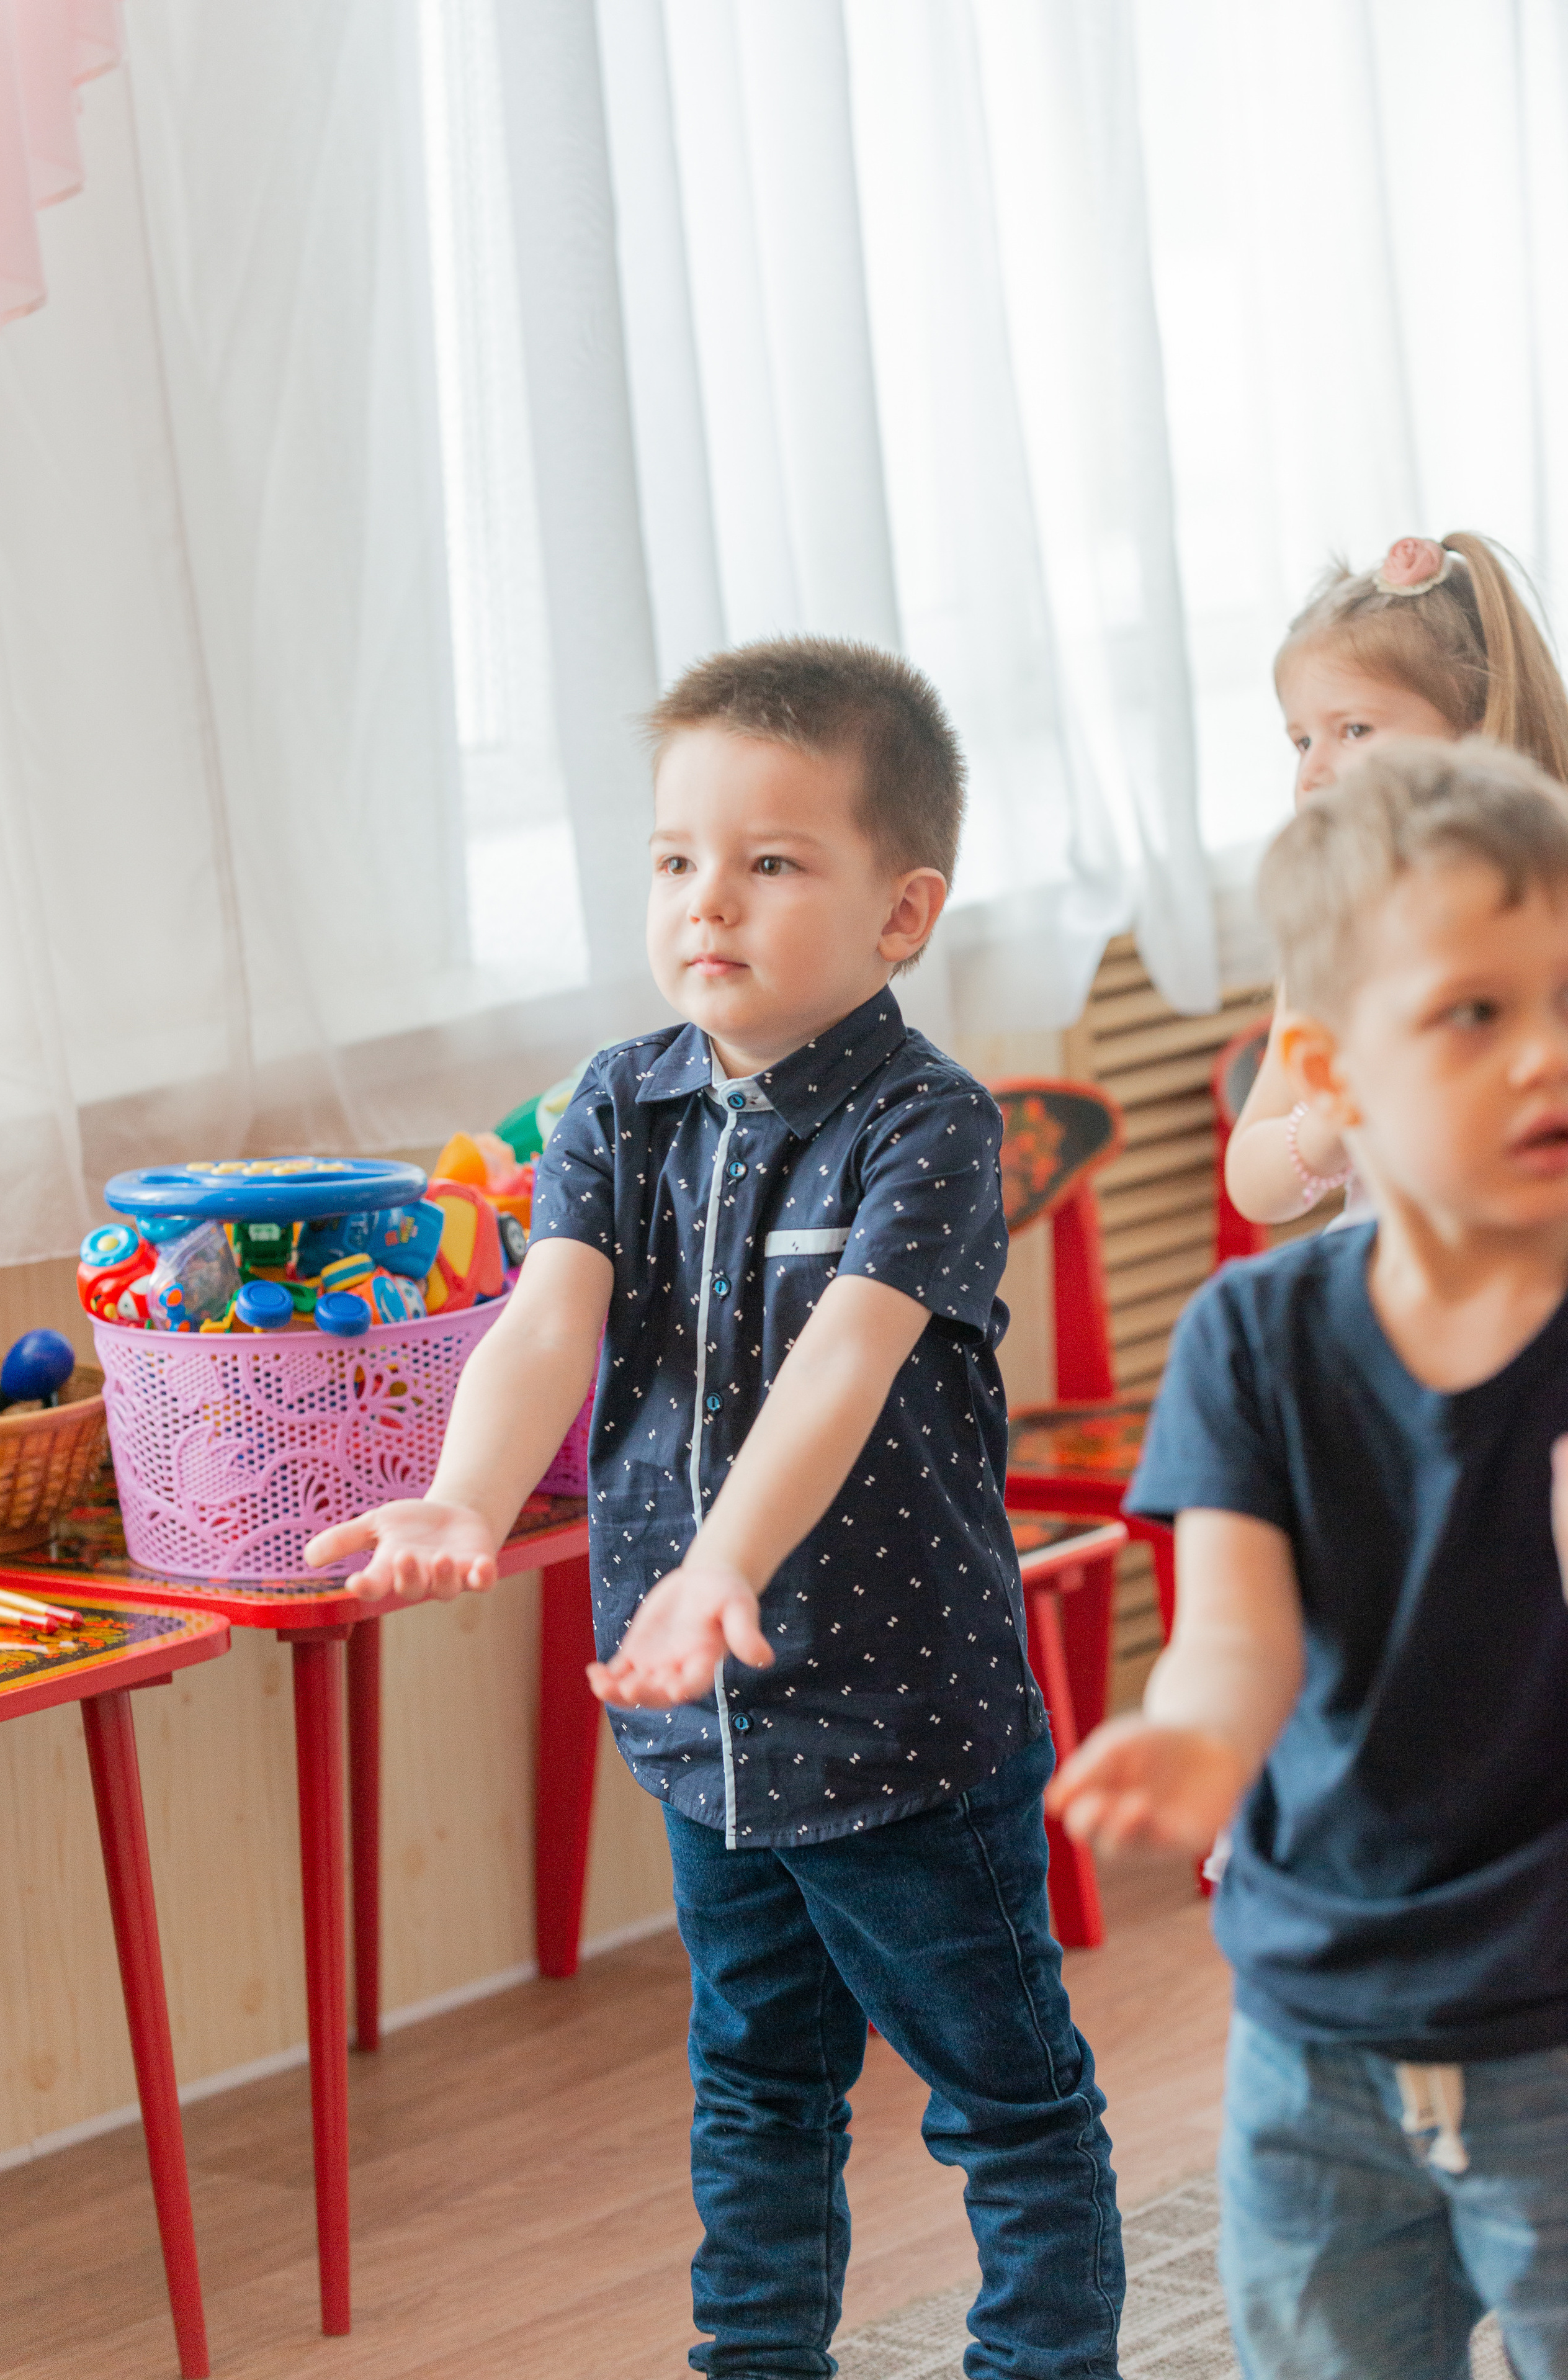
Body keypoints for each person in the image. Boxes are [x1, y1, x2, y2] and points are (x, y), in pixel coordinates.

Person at [307, 637, 1124, 2379]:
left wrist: (719, 1565)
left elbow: (841, 1367)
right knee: (756, 2085)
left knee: (1009, 2099)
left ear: (902, 912)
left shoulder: (930, 1126)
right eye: (679, 858)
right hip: (709, 1736)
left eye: (772, 861)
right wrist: (456, 1490)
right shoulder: (614, 1100)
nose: (710, 902)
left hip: (901, 1727)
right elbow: (548, 1317)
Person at [1050, 735, 1568, 2379]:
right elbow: (1232, 1632)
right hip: (1315, 2029)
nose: (1547, 1056)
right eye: (1476, 1013)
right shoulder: (1253, 1339)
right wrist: (1197, 1746)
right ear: (1327, 1069)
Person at [1226, 531, 1568, 1231]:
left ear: (1472, 735)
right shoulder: (1336, 930)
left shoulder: (1547, 905)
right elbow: (1253, 1182)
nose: (1313, 771)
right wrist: (1330, 1124)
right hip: (1402, 1283)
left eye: (1352, 730)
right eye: (1301, 740)